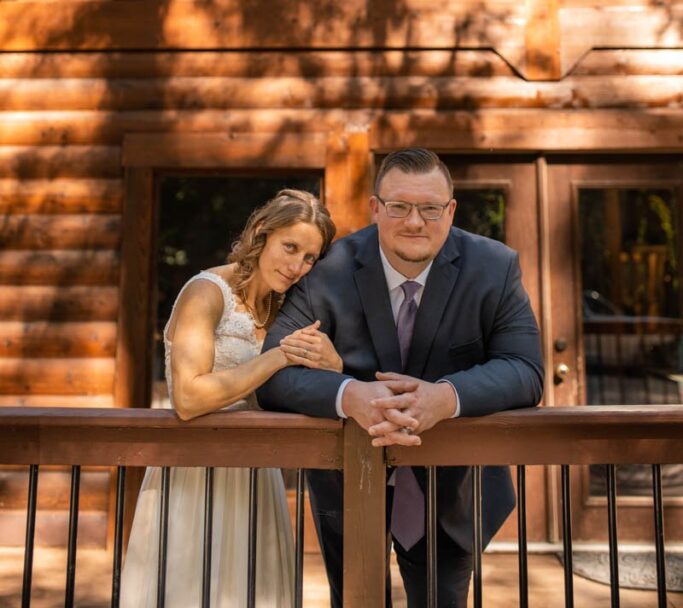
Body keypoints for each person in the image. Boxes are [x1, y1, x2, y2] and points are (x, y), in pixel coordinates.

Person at [258, 148, 544, 608]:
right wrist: (350, 395)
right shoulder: (327, 270)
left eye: (430, 208)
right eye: (399, 207)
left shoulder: (493, 267)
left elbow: (525, 370)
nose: (415, 221)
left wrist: (446, 397)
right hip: (349, 483)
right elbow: (272, 375)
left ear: (450, 211)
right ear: (376, 208)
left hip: (453, 488)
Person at [120, 188, 339, 608]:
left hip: (257, 475)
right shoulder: (206, 293)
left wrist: (334, 363)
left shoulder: (287, 309)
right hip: (194, 475)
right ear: (262, 232)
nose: (297, 266)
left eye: (309, 258)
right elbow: (187, 397)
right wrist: (277, 356)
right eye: (290, 247)